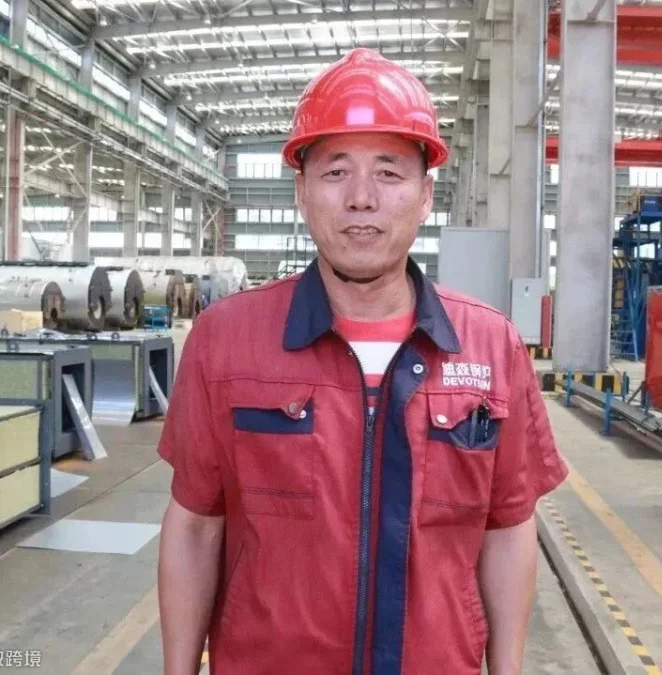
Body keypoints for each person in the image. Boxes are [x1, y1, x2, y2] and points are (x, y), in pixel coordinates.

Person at [157, 47, 568, 675]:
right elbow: (194, 526)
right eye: (335, 172)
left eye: (389, 172)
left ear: (425, 195)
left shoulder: (490, 346)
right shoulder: (225, 342)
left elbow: (508, 527)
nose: (361, 198)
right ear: (301, 191)